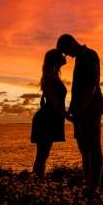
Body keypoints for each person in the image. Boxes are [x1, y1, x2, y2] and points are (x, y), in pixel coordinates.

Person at [56, 34, 103, 197]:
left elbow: (92, 83)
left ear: (70, 44)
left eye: (65, 51)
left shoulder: (88, 55)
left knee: (93, 148)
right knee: (85, 150)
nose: (66, 56)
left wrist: (84, 107)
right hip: (81, 109)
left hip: (89, 107)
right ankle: (87, 186)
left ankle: (94, 189)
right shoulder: (81, 57)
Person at [30, 49, 72, 182]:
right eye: (61, 55)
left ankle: (40, 184)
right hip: (45, 119)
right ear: (55, 58)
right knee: (41, 156)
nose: (64, 56)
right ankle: (37, 186)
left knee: (44, 156)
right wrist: (67, 115)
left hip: (52, 118)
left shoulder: (55, 76)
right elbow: (54, 99)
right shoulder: (49, 77)